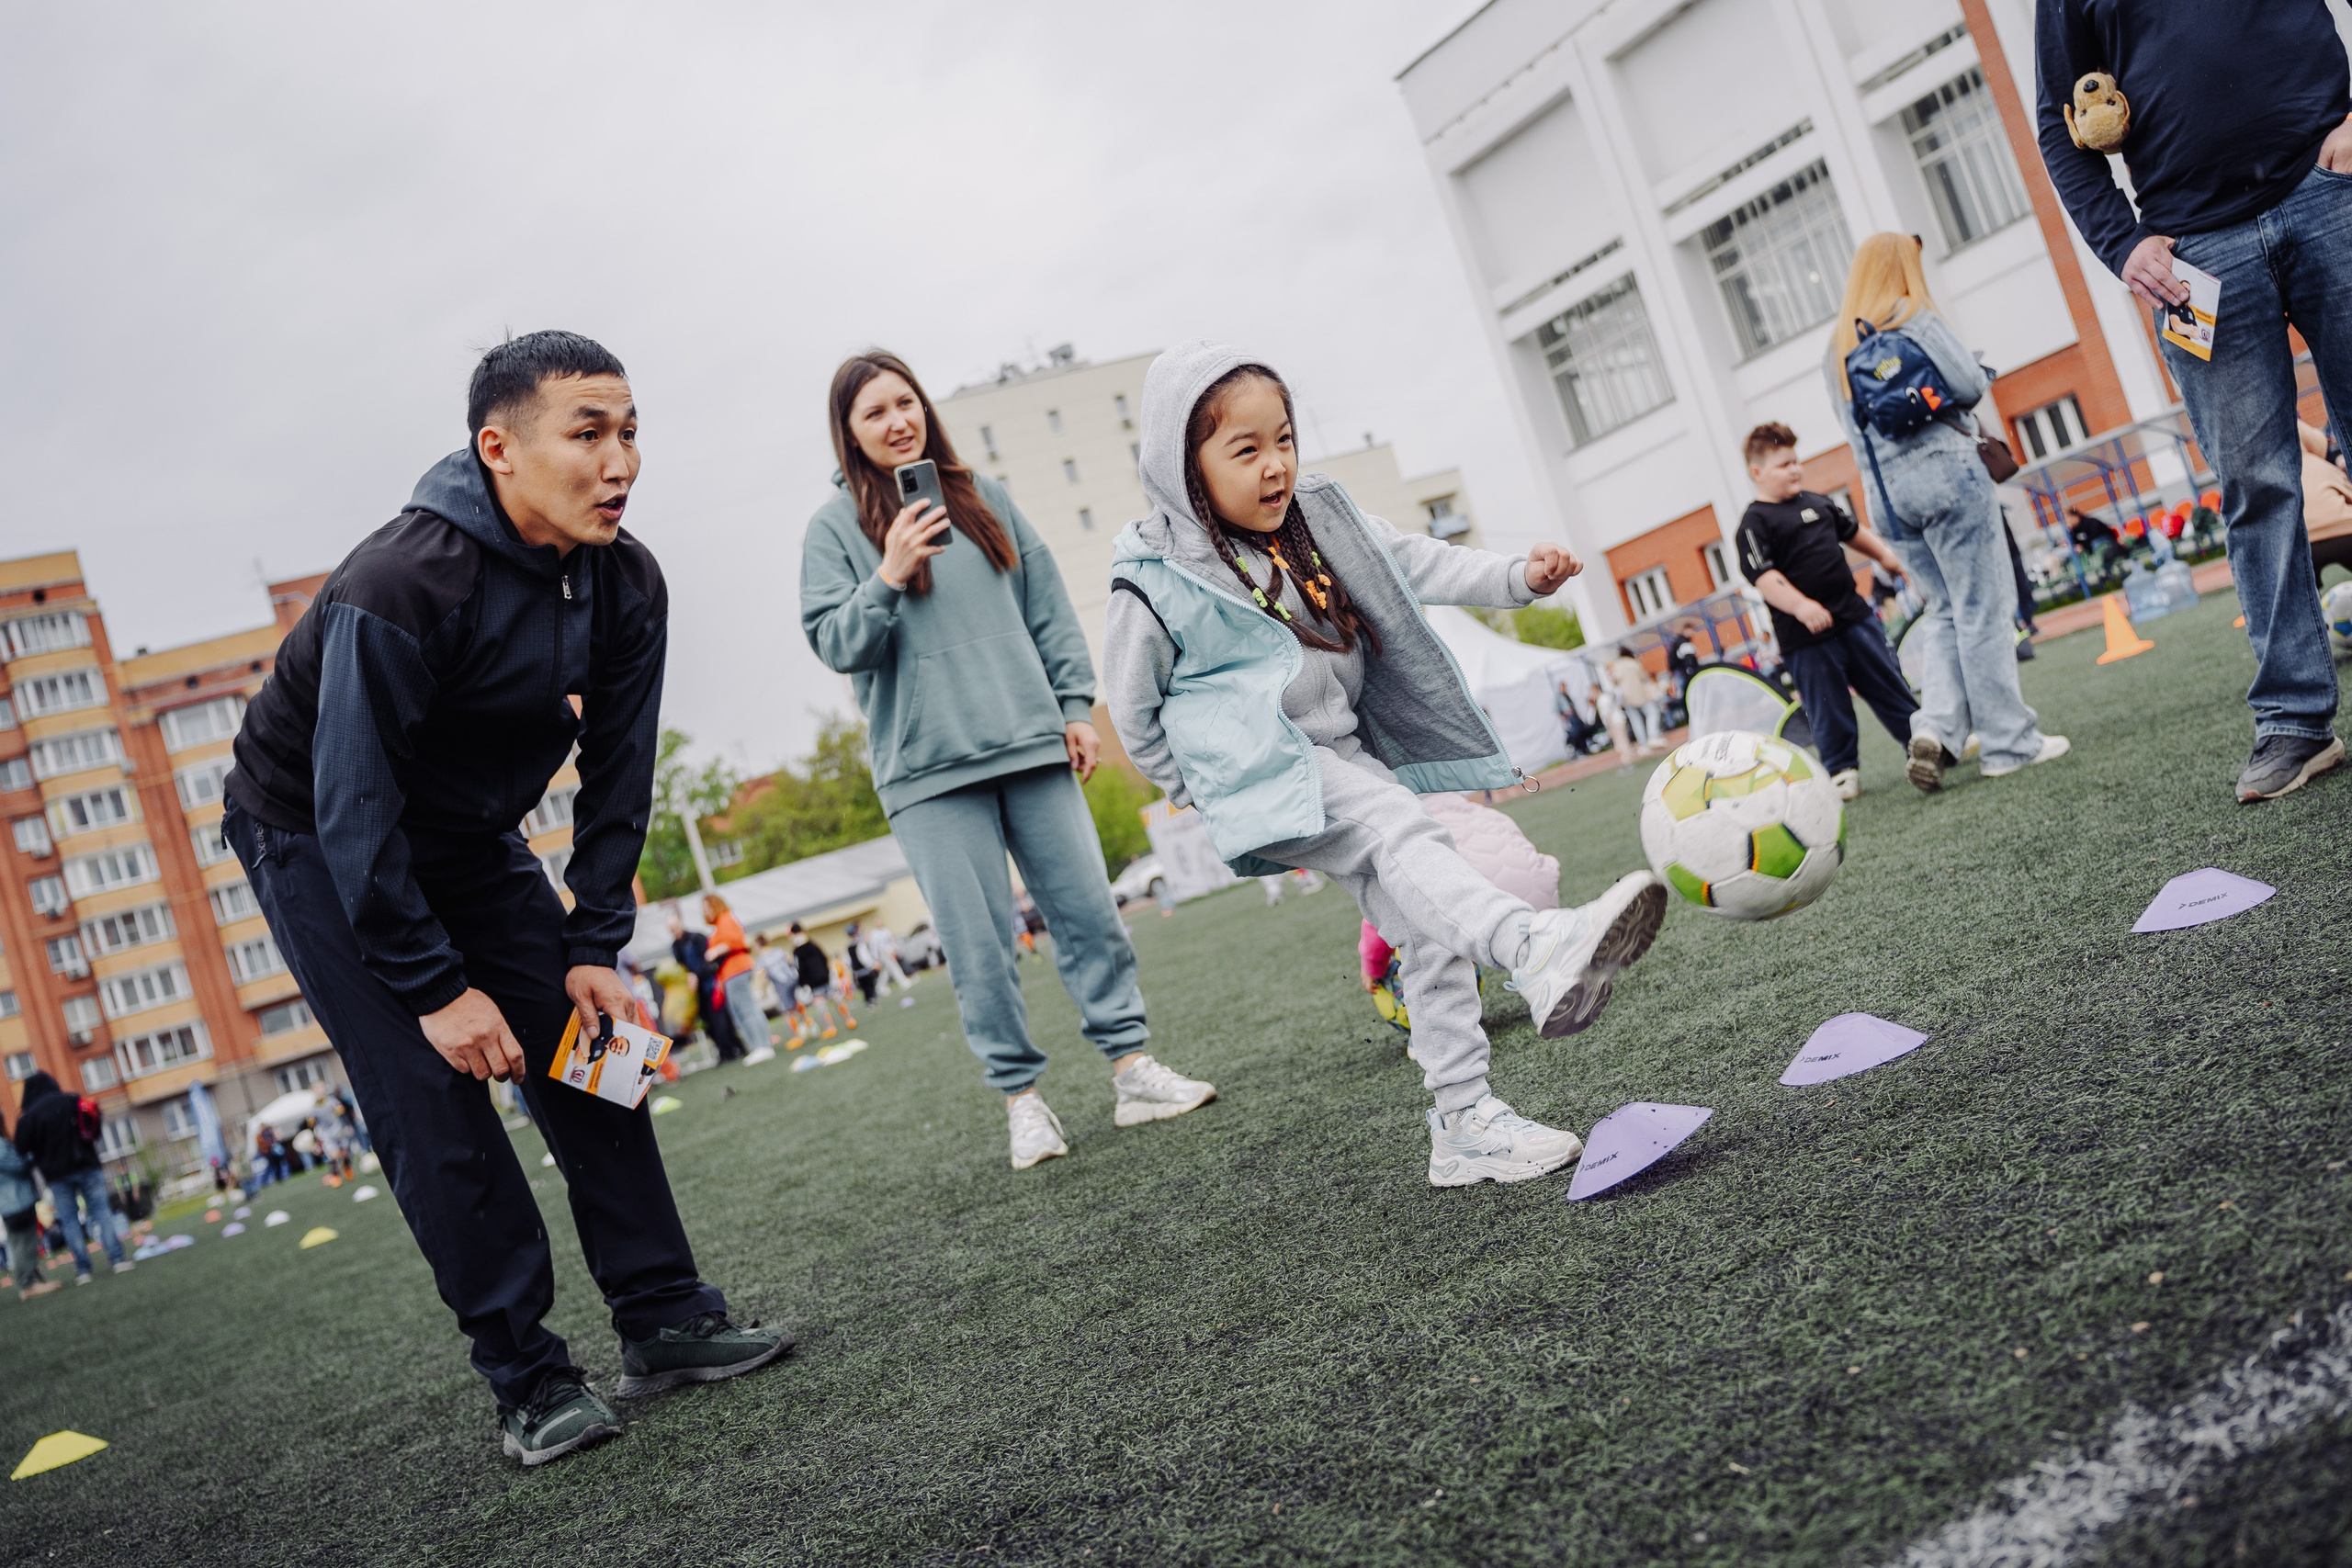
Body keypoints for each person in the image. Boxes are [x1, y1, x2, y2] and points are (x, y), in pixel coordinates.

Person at [221, 331, 786, 1466]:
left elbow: (621, 769)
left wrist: (594, 941)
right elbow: (353, 806)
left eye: (629, 432)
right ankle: (530, 1379)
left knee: (598, 1048)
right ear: (500, 449)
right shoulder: (402, 581)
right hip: (319, 840)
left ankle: (666, 1315)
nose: (620, 458)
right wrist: (436, 991)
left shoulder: (626, 578)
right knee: (435, 1101)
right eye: (588, 433)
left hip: (465, 837)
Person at [1102, 342, 1667, 1188]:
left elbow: (1412, 559)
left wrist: (1517, 576)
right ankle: (1532, 944)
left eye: (1283, 439)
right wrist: (1206, 791)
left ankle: (1463, 1120)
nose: (1275, 465)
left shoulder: (1315, 518)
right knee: (1404, 828)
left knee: (1424, 925)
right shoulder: (1153, 577)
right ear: (1184, 468)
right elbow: (1133, 708)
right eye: (1244, 449)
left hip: (1343, 754)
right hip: (1268, 773)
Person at [802, 349, 1215, 1171]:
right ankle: (1023, 1101)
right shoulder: (833, 527)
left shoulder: (984, 498)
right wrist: (888, 572)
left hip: (1031, 742)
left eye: (905, 402)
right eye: (874, 412)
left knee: (1091, 914)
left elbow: (1050, 609)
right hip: (927, 774)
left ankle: (1132, 1068)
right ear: (849, 433)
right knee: (981, 946)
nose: (897, 421)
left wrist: (1072, 708)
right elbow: (836, 641)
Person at [2035, 1, 2349, 800]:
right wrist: (2121, 240)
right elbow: (2056, 123)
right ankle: (2296, 721)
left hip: (2329, 187)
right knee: (2255, 485)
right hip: (2192, 252)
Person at [1826, 234, 2069, 793]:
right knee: (1983, 608)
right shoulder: (1913, 317)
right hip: (1947, 474)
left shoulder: (1836, 342)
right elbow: (1964, 385)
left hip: (1885, 494)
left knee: (1943, 610)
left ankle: (1933, 727)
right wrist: (1979, 373)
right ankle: (2009, 743)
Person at [1734, 423, 1919, 801]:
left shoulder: (1817, 503)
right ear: (1757, 473)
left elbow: (1853, 532)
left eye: (1796, 461)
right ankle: (1841, 770)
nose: (1795, 469)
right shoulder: (1754, 523)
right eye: (1784, 464)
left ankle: (1923, 741)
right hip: (1805, 637)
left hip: (1854, 617)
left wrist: (1887, 556)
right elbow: (1764, 577)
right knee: (1827, 704)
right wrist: (1801, 606)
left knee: (1889, 682)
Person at [11, 1072, 129, 1281]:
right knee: (101, 1211)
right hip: (87, 1165)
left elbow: (21, 1147)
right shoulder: (71, 1101)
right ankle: (117, 1259)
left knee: (69, 1220)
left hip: (57, 1175)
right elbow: (93, 1126)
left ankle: (83, 1270)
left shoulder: (30, 1117)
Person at [702, 894, 774, 1063]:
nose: (705, 911)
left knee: (746, 1009)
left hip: (737, 970)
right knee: (740, 1011)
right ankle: (758, 1046)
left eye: (707, 907)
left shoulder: (726, 918)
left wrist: (715, 951)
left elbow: (735, 941)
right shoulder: (718, 925)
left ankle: (761, 1046)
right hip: (728, 974)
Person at [666, 911, 743, 1063]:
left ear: (681, 923)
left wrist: (697, 974)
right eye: (671, 928)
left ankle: (731, 1050)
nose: (674, 931)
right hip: (695, 992)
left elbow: (710, 961)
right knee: (708, 1023)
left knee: (720, 1020)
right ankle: (725, 1049)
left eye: (675, 926)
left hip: (711, 985)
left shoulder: (697, 938)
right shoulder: (675, 947)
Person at [0, 1122, 59, 1299]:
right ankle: (28, 1284)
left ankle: (32, 1280)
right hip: (16, 1201)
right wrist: (31, 1154)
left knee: (21, 1243)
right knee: (24, 1244)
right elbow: (18, 1166)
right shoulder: (1, 1145)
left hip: (10, 1202)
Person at [785, 923, 845, 1043]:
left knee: (820, 1005)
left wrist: (802, 984)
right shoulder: (813, 944)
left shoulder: (797, 951)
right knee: (836, 998)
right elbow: (824, 958)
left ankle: (830, 1027)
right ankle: (849, 1019)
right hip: (825, 977)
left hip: (814, 983)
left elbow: (800, 969)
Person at [1606, 647, 1663, 753]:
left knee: (1636, 721)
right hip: (1640, 694)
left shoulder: (1617, 666)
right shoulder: (1634, 663)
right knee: (1652, 712)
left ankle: (1643, 744)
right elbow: (1642, 677)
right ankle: (1652, 736)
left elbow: (1614, 680)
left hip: (1627, 698)